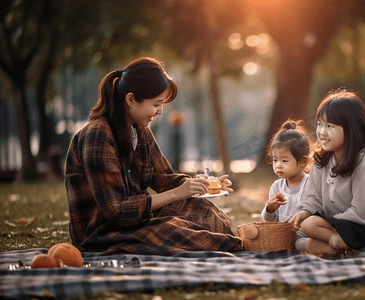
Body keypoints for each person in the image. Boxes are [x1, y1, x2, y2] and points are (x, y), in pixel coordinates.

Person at [64, 57, 242, 255]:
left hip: (138, 221)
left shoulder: (140, 131)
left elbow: (165, 179)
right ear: (131, 99)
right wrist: (176, 194)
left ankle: (221, 242)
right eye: (156, 104)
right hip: (102, 232)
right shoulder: (97, 135)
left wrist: (205, 185)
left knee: (204, 211)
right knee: (173, 231)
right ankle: (228, 244)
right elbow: (117, 212)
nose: (160, 112)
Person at [289, 88, 365, 254]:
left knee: (322, 234)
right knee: (306, 226)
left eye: (330, 126)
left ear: (351, 129)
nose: (322, 132)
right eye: (319, 124)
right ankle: (338, 247)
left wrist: (331, 223)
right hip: (339, 225)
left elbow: (361, 213)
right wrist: (305, 211)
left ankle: (336, 245)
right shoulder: (321, 161)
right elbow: (314, 198)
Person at [261, 120, 312, 249]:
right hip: (282, 236)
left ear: (302, 161)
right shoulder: (277, 187)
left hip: (305, 234)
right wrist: (270, 209)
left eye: (284, 160)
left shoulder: (310, 184)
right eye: (275, 160)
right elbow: (270, 220)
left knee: (299, 244)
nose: (278, 165)